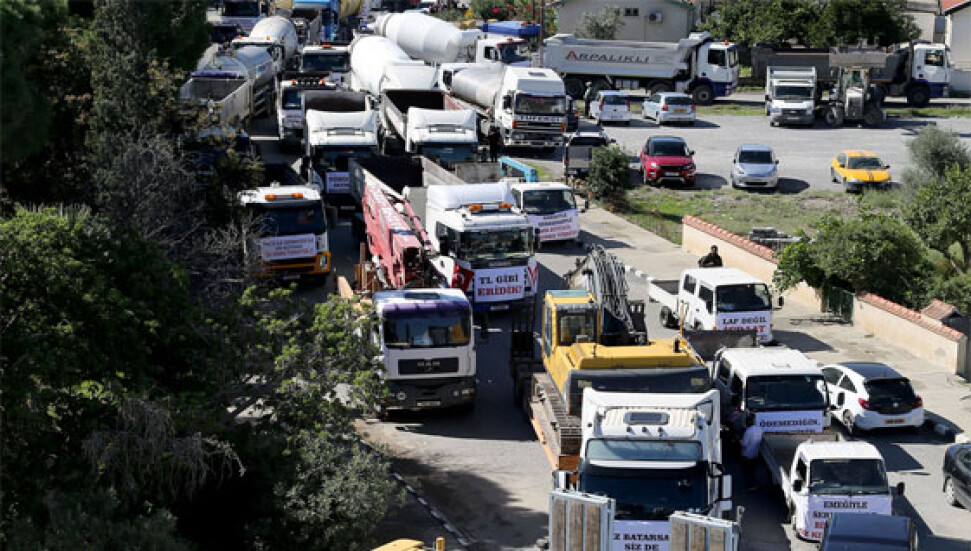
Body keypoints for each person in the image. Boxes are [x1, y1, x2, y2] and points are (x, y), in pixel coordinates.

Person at [739, 413, 764, 491]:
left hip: (747, 454)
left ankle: (750, 486)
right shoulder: (759, 429)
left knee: (747, 472)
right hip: (755, 454)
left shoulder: (748, 431)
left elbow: (744, 444)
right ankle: (754, 485)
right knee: (752, 471)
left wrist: (739, 440)